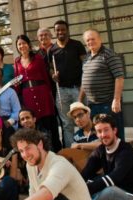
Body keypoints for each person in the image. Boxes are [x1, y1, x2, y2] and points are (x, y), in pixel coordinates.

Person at [82, 114, 133, 200]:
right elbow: (86, 173)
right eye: (99, 131)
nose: (103, 135)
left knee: (110, 191)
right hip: (115, 190)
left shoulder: (126, 152)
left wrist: (84, 190)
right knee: (91, 180)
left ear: (114, 130)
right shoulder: (100, 150)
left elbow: (114, 178)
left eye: (106, 130)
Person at [14, 34, 62, 152]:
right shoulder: (17, 61)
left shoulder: (38, 58)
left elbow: (46, 76)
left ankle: (55, 150)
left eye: (24, 43)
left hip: (42, 92)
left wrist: (50, 93)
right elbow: (17, 81)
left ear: (29, 45)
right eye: (19, 44)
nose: (22, 46)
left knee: (48, 123)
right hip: (27, 95)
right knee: (33, 123)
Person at [79, 29, 125, 140]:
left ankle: (121, 156)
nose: (90, 42)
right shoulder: (86, 58)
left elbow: (119, 77)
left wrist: (116, 99)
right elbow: (84, 81)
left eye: (93, 39)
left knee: (114, 133)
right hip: (92, 105)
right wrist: (80, 100)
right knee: (99, 135)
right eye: (88, 40)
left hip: (108, 104)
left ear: (100, 39)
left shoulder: (109, 55)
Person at [48, 20, 86, 148]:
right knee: (67, 124)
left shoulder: (77, 45)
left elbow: (85, 64)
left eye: (63, 29)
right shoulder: (52, 50)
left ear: (67, 30)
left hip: (78, 89)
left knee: (84, 120)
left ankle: (87, 147)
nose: (60, 32)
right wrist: (53, 75)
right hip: (61, 91)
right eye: (57, 30)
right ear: (55, 32)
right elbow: (50, 68)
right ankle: (72, 151)